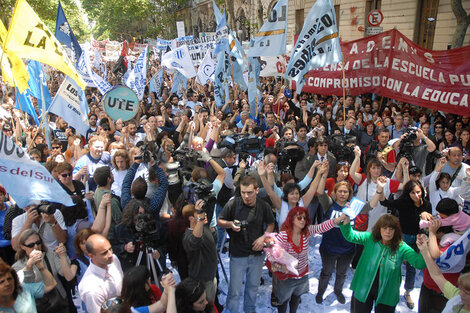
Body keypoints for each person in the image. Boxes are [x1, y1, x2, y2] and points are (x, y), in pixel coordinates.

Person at [339, 214, 426, 313]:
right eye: (384, 228)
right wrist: (346, 219)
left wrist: (423, 249)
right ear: (379, 229)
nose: (387, 232)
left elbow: (419, 264)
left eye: (391, 229)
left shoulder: (401, 247)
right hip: (363, 287)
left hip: (387, 292)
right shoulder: (370, 239)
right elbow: (350, 235)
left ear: (396, 231)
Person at [271, 206, 347, 312]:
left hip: (302, 275)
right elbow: (272, 257)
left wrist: (339, 218)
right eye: (299, 218)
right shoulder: (283, 236)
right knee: (283, 302)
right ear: (292, 219)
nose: (302, 220)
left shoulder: (306, 232)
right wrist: (280, 266)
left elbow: (322, 226)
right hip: (287, 278)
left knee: (296, 298)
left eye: (304, 218)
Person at [217, 175, 275, 313]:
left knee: (253, 287)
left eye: (249, 192)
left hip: (257, 255)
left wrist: (263, 238)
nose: (246, 196)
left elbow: (271, 224)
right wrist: (230, 224)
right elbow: (220, 220)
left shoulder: (263, 205)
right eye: (243, 192)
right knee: (235, 290)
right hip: (238, 255)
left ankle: (250, 310)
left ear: (256, 190)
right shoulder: (233, 204)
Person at [377, 179, 432, 309]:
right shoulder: (403, 202)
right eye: (412, 193)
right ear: (408, 193)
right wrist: (381, 188)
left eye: (418, 192)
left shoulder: (427, 205)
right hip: (403, 237)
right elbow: (385, 202)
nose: (416, 195)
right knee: (393, 264)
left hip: (418, 238)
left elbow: (429, 224)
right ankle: (387, 289)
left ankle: (408, 292)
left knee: (411, 268)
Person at [315, 163, 357, 304]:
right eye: (340, 191)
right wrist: (323, 174)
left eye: (345, 192)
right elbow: (320, 193)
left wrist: (379, 190)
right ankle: (320, 291)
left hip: (347, 249)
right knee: (326, 273)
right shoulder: (329, 204)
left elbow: (372, 205)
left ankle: (338, 291)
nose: (343, 194)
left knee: (341, 274)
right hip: (329, 248)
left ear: (349, 193)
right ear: (335, 192)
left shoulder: (354, 206)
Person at [416, 234, 470, 313]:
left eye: (467, 293)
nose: (461, 294)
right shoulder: (456, 296)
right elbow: (436, 275)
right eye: (461, 289)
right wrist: (424, 251)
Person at [182, 199, 218, 302]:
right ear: (191, 219)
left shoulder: (204, 226)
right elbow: (195, 240)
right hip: (202, 282)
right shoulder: (188, 237)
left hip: (211, 277)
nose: (204, 216)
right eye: (199, 215)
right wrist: (200, 220)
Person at [78, 234, 124, 313]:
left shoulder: (113, 260)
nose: (110, 254)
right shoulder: (91, 290)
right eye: (104, 253)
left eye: (110, 249)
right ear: (91, 256)